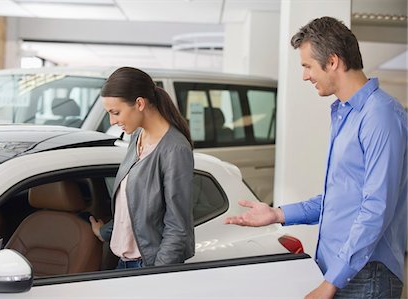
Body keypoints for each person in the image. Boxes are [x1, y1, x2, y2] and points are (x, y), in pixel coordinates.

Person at [225, 16, 407, 299]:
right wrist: (278, 214)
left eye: (307, 66)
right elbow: (340, 200)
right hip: (341, 269)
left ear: (332, 61)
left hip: (365, 275)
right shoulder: (344, 114)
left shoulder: (380, 116)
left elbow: (375, 209)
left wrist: (331, 282)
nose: (305, 75)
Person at [89, 66, 195, 269]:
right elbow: (133, 207)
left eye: (116, 112)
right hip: (124, 262)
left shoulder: (175, 150)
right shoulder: (137, 136)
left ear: (139, 103)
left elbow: (178, 226)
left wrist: (156, 275)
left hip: (147, 266)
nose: (112, 121)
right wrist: (105, 232)